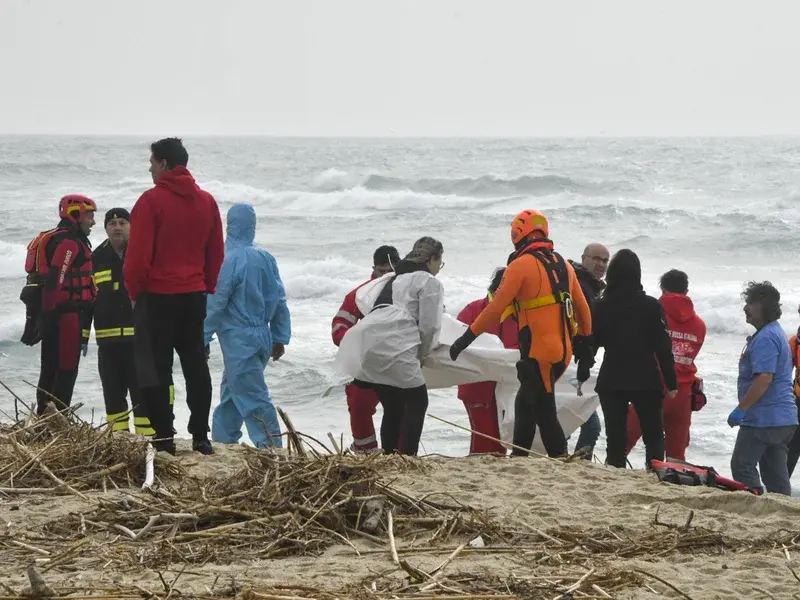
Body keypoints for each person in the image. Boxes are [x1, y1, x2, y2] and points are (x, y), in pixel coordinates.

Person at [450, 209, 592, 458]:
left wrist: (466, 338)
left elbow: (496, 307)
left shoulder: (520, 265)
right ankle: (519, 458)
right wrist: (585, 347)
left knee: (544, 412)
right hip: (563, 352)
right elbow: (583, 310)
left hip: (540, 352)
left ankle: (560, 460)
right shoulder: (564, 266)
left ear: (518, 235)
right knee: (526, 404)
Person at [124, 138, 224, 455]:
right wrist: (205, 285)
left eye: (152, 162)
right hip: (193, 295)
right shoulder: (207, 201)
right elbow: (216, 252)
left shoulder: (151, 201)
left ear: (165, 164)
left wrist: (133, 293)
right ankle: (200, 436)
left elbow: (137, 257)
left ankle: (164, 437)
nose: (149, 167)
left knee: (157, 369)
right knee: (196, 365)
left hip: (157, 296)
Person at [338, 237, 445, 456]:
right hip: (395, 345)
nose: (438, 269)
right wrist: (422, 356)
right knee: (418, 401)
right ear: (432, 258)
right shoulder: (429, 281)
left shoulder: (393, 279)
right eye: (439, 263)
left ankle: (389, 455)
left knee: (394, 404)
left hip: (366, 341)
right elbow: (429, 327)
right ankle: (407, 457)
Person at [203, 204, 291, 448]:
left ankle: (271, 448)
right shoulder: (265, 257)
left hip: (238, 338)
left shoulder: (227, 259)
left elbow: (216, 303)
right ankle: (223, 441)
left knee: (252, 397)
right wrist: (280, 336)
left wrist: (202, 336)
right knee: (233, 393)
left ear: (229, 225)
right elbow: (280, 299)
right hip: (262, 335)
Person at [592, 249, 677, 469]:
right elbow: (663, 347)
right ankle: (655, 473)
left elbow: (592, 341)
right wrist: (671, 382)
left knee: (615, 436)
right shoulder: (651, 305)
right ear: (637, 274)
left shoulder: (602, 305)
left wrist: (583, 369)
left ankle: (615, 471)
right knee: (654, 435)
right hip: (645, 378)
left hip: (612, 377)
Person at [21, 195, 97, 413]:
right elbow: (56, 278)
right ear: (76, 215)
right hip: (65, 316)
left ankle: (45, 419)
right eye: (89, 216)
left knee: (50, 368)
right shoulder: (69, 243)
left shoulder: (60, 238)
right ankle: (57, 420)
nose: (92, 222)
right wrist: (48, 315)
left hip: (53, 314)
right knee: (65, 369)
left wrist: (42, 317)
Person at [625, 269, 705, 462]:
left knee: (623, 441)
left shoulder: (652, 313)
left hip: (651, 388)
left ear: (663, 289)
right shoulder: (699, 325)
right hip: (683, 394)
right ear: (686, 291)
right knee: (676, 456)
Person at [730, 281, 798, 496]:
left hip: (764, 419)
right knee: (776, 476)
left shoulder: (767, 337)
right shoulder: (775, 332)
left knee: (742, 466)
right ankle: (782, 514)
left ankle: (755, 505)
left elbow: (764, 378)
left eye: (750, 302)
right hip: (784, 419)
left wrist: (741, 408)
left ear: (765, 306)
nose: (745, 308)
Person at [90, 208, 154, 435]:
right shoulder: (95, 258)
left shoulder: (143, 254)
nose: (117, 227)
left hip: (139, 342)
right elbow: (87, 301)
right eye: (112, 223)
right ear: (105, 228)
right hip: (108, 345)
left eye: (122, 222)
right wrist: (81, 335)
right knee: (113, 398)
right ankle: (118, 442)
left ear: (132, 226)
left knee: (142, 397)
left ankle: (149, 444)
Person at [331, 245, 401, 453]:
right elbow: (339, 326)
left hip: (398, 360)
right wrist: (355, 342)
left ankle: (399, 452)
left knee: (403, 409)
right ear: (373, 269)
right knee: (359, 402)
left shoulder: (407, 291)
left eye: (391, 271)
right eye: (382, 271)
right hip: (367, 361)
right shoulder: (361, 294)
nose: (386, 276)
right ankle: (365, 450)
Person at [456, 267, 519, 454]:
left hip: (508, 388)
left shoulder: (518, 312)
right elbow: (457, 345)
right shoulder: (473, 310)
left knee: (502, 440)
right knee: (484, 438)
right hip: (476, 387)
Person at [568, 242, 609, 459]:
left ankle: (566, 461)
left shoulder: (591, 286)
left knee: (571, 417)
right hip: (570, 364)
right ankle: (573, 463)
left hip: (577, 364)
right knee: (590, 424)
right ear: (584, 258)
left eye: (605, 261)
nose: (601, 264)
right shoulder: (580, 285)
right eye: (596, 259)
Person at [787, 302, 800, 476]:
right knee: (790, 450)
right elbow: (782, 375)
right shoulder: (795, 342)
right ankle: (781, 492)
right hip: (796, 402)